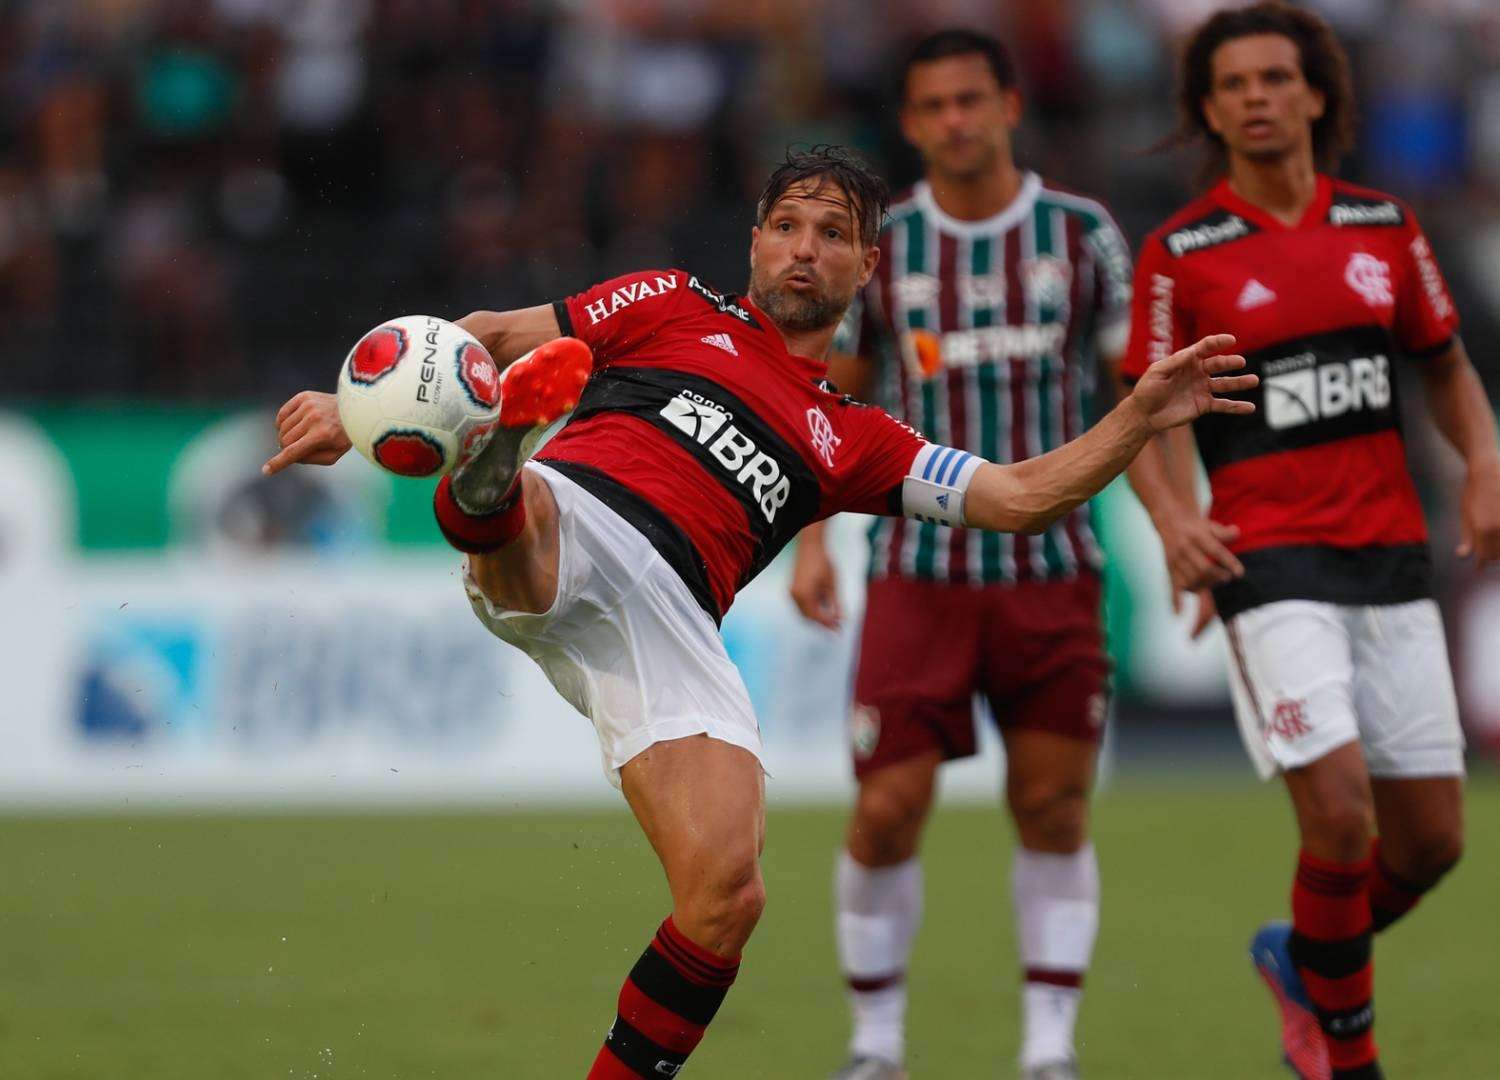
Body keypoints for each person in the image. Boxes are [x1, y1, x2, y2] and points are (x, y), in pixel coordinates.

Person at [262, 146, 1256, 1079]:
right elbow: (483, 333)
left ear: (866, 266)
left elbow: (1015, 497)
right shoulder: (663, 302)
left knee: (726, 896)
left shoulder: (856, 436)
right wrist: (356, 415)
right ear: (754, 241)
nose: (804, 248)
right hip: (581, 519)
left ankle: (490, 472)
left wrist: (1134, 417)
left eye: (831, 234)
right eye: (786, 225)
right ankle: (489, 474)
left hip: (671, 622)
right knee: (534, 510)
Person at [1120, 7, 1500, 1079]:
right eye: (1233, 83)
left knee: (1431, 842)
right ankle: (1351, 1059)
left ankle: (1302, 960)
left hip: (1392, 556)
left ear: (1314, 96)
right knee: (1339, 815)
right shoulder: (1182, 254)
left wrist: (1484, 466)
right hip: (1270, 563)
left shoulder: (1383, 225)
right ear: (1209, 110)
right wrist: (1174, 520)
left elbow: (1443, 363)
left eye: (1273, 78)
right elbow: (1137, 415)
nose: (1255, 96)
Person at [784, 31, 1132, 1080]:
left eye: (972, 100)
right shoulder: (880, 249)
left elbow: (1132, 403)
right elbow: (824, 405)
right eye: (933, 106)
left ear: (1011, 105)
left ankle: (1047, 1051)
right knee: (886, 812)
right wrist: (812, 544)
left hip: (1054, 571)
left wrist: (1179, 526)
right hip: (918, 575)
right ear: (910, 122)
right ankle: (877, 1049)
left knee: (1053, 805)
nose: (955, 121)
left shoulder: (1082, 235)